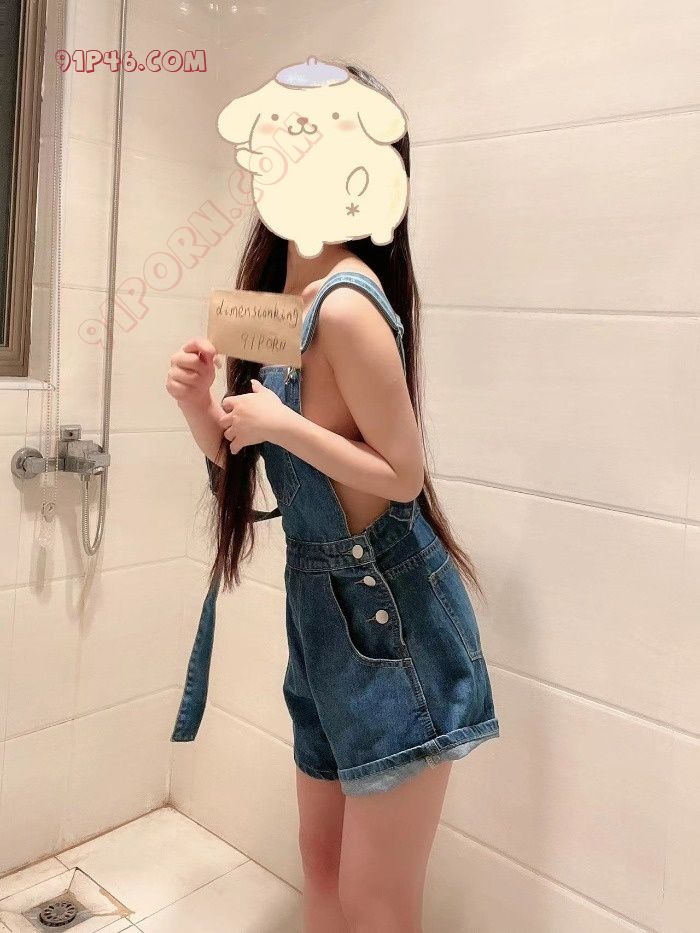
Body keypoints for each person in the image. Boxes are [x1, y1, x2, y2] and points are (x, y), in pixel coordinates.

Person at [166, 64, 498, 933]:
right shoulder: (282, 301)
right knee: (320, 865)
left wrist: (279, 421)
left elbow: (401, 474)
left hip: (389, 618)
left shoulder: (348, 307)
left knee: (374, 900)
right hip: (323, 616)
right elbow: (273, 464)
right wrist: (205, 410)